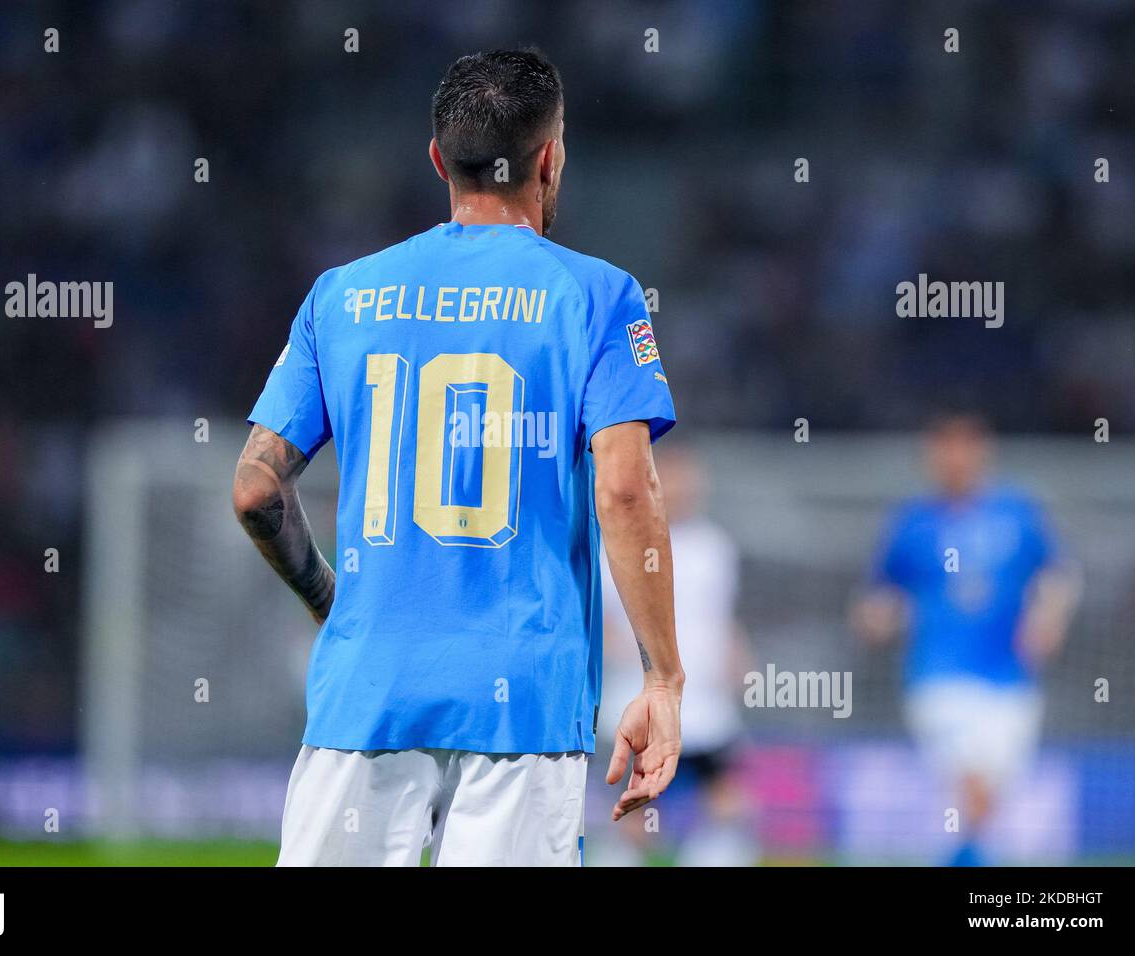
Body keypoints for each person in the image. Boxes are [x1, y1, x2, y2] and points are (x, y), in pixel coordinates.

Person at [231, 48, 684, 866]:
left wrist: (331, 601)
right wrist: (662, 682)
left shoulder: (343, 294)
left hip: (367, 696)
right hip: (523, 705)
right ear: (550, 157)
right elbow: (625, 491)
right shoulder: (597, 294)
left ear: (439, 159)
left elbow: (256, 490)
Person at [852, 411, 1081, 866]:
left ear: (982, 452)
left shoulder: (1016, 514)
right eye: (945, 448)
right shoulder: (914, 523)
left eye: (965, 447)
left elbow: (1060, 574)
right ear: (932, 456)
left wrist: (1049, 617)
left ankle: (959, 857)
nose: (955, 459)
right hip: (939, 678)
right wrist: (877, 618)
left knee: (986, 801)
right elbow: (879, 596)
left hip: (1010, 680)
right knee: (972, 789)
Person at [599, 445, 756, 867]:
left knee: (726, 801)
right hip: (639, 698)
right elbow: (604, 619)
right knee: (639, 809)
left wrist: (737, 657)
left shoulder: (715, 547)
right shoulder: (622, 539)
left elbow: (721, 614)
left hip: (704, 702)